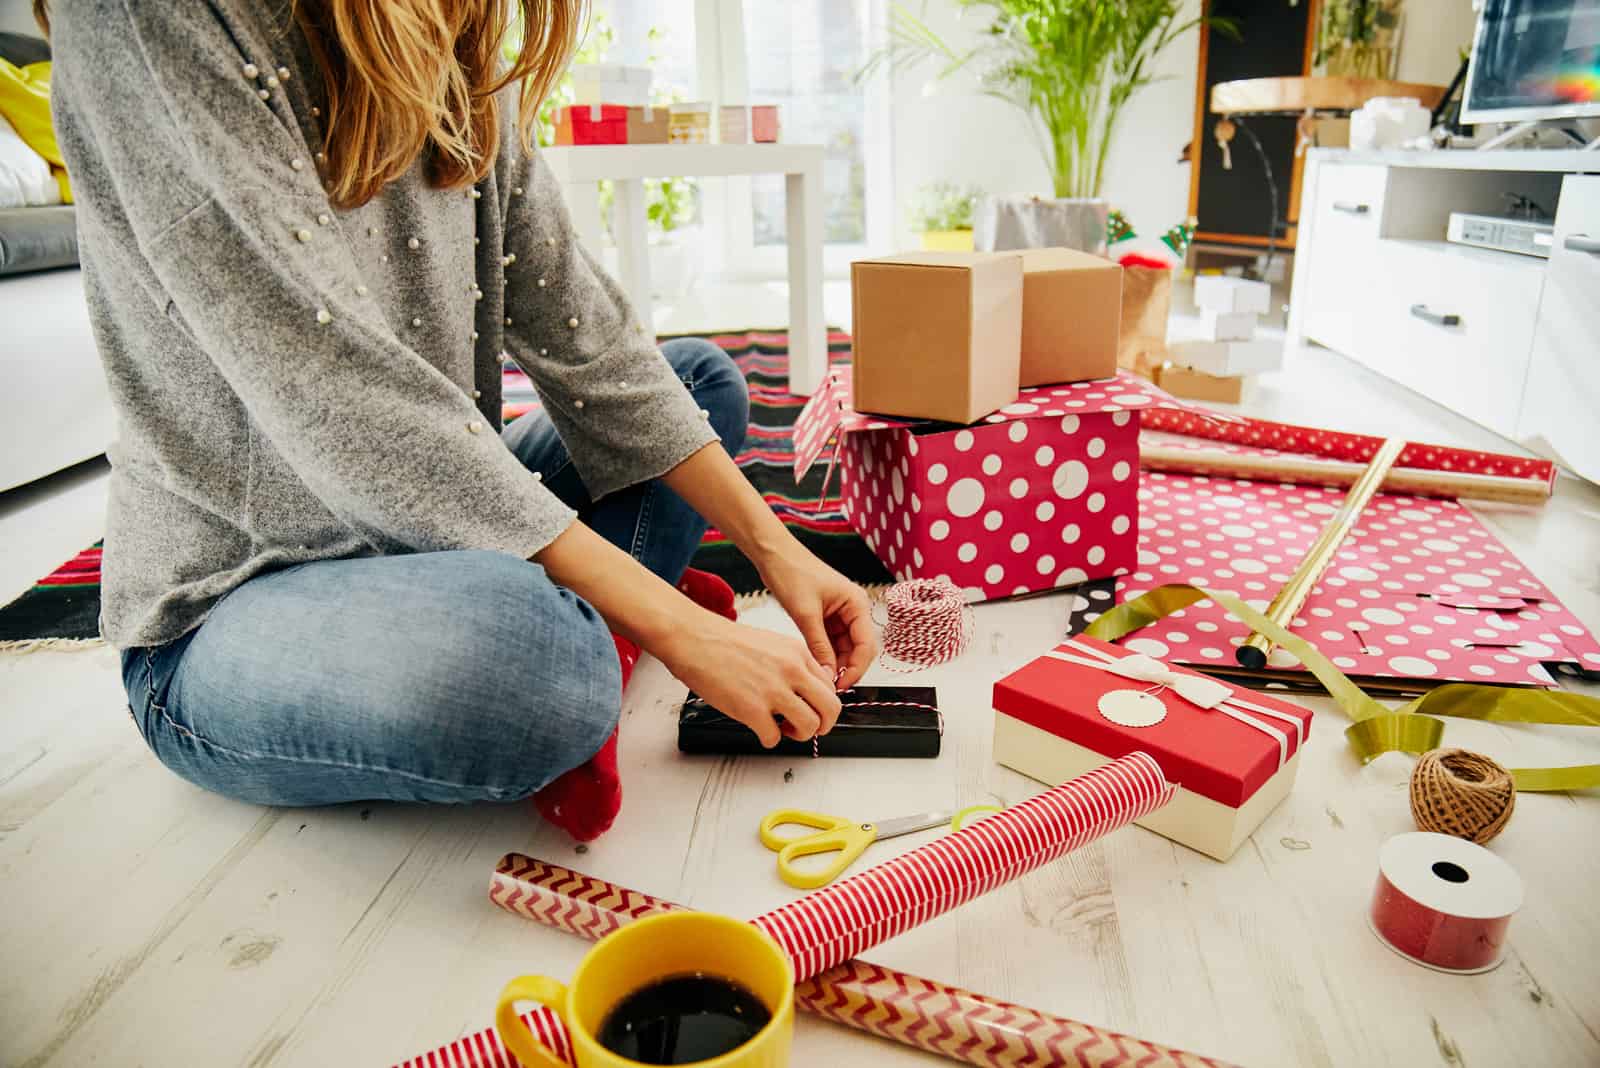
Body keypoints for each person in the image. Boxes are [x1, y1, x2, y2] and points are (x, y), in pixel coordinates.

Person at [42, 0, 876, 840]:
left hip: (430, 525)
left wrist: (780, 551)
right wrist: (684, 627)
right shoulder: (144, 17)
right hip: (234, 601)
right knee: (537, 661)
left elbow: (584, 333)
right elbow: (341, 401)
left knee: (697, 383)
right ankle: (603, 643)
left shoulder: (446, 26)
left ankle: (604, 640)